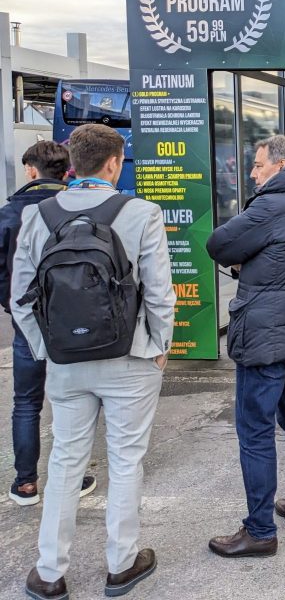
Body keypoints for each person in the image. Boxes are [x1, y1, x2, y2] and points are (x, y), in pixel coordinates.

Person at [12, 125, 175, 598]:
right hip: (131, 356)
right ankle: (121, 565)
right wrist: (159, 347)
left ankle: (49, 572)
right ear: (113, 164)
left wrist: (47, 350)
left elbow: (21, 297)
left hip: (66, 360)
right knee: (126, 460)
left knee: (64, 459)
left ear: (72, 163)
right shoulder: (141, 212)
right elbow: (159, 293)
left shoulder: (39, 215)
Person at [207, 135, 285, 558]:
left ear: (280, 165)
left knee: (255, 431)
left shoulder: (270, 205)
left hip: (265, 336)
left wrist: (246, 262)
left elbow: (219, 244)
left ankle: (259, 531)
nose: (253, 173)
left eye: (258, 165)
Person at [1, 141, 97, 509]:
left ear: (30, 170)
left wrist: (13, 306)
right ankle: (76, 476)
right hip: (75, 320)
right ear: (66, 170)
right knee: (75, 401)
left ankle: (26, 483)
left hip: (28, 322)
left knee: (26, 402)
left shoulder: (10, 213)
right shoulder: (79, 207)